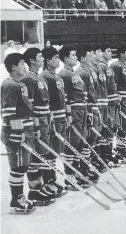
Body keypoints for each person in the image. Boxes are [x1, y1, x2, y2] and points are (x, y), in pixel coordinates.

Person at [20, 48, 57, 205]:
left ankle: (40, 186)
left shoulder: (39, 78)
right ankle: (34, 189)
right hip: (36, 122)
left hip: (44, 120)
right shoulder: (29, 78)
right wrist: (34, 127)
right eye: (40, 56)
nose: (43, 59)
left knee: (42, 154)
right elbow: (29, 104)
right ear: (32, 60)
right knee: (35, 156)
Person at [2, 53, 36, 213]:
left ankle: (20, 197)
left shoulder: (21, 85)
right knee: (18, 167)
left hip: (25, 131)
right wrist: (17, 132)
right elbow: (8, 113)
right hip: (16, 133)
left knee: (23, 165)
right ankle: (16, 199)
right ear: (13, 67)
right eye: (22, 63)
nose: (25, 66)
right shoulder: (9, 85)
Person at [58, 46, 91, 190]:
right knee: (72, 142)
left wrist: (87, 110)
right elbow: (64, 97)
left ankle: (77, 172)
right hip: (74, 111)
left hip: (82, 109)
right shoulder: (64, 74)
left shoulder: (74, 73)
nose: (76, 58)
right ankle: (69, 176)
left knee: (81, 142)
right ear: (65, 58)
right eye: (73, 55)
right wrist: (69, 113)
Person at [40, 47, 68, 196]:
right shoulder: (45, 77)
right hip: (52, 117)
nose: (58, 60)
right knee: (50, 150)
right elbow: (46, 100)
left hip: (61, 116)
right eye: (55, 57)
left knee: (56, 150)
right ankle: (48, 180)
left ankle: (52, 179)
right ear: (47, 60)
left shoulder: (56, 76)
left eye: (58, 57)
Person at [76, 45, 102, 176]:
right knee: (88, 138)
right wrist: (89, 111)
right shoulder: (81, 73)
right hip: (88, 109)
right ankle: (84, 167)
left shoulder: (90, 72)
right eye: (89, 55)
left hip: (94, 107)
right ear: (83, 58)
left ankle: (89, 163)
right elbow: (85, 95)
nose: (92, 56)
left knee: (93, 137)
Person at [96, 44, 120, 164]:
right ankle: (104, 153)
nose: (111, 53)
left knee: (112, 128)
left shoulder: (108, 67)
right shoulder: (102, 68)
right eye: (108, 50)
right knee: (106, 129)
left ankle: (108, 152)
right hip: (107, 103)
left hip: (112, 102)